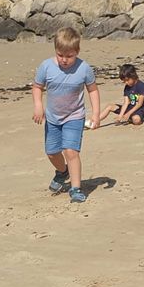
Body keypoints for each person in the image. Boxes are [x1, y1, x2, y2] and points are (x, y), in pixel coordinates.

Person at [31, 26, 100, 205]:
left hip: (74, 117)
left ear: (77, 51)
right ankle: (62, 172)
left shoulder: (84, 68)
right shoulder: (46, 66)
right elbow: (37, 87)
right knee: (52, 152)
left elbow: (92, 90)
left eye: (69, 56)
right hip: (53, 118)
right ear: (55, 50)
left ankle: (75, 188)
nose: (64, 60)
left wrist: (96, 113)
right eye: (61, 55)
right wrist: (38, 105)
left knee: (71, 151)